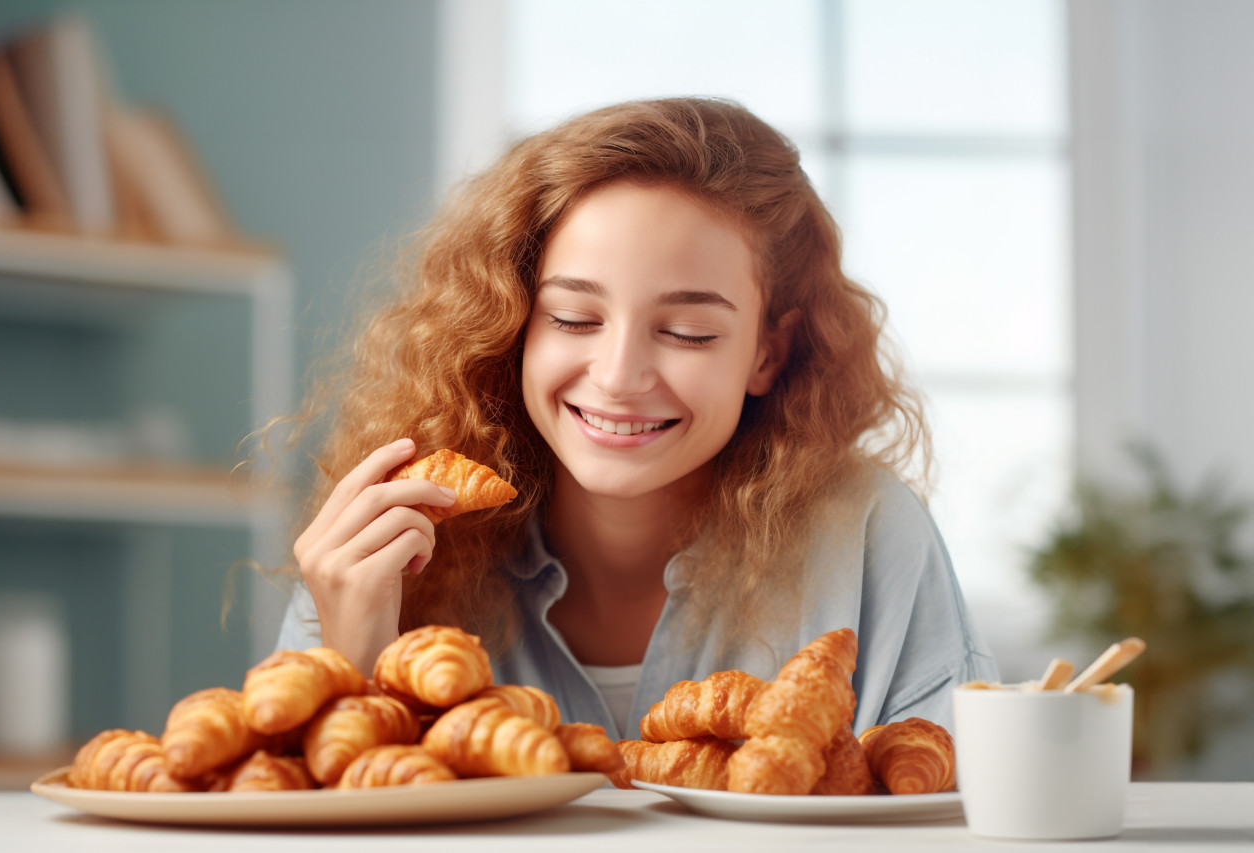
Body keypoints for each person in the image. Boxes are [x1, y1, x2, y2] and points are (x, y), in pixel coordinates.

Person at [274, 97, 997, 739]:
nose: (618, 377)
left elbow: (944, 808)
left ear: (767, 355)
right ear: (515, 325)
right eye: (573, 317)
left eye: (688, 332)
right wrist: (353, 663)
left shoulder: (868, 537)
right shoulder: (387, 552)